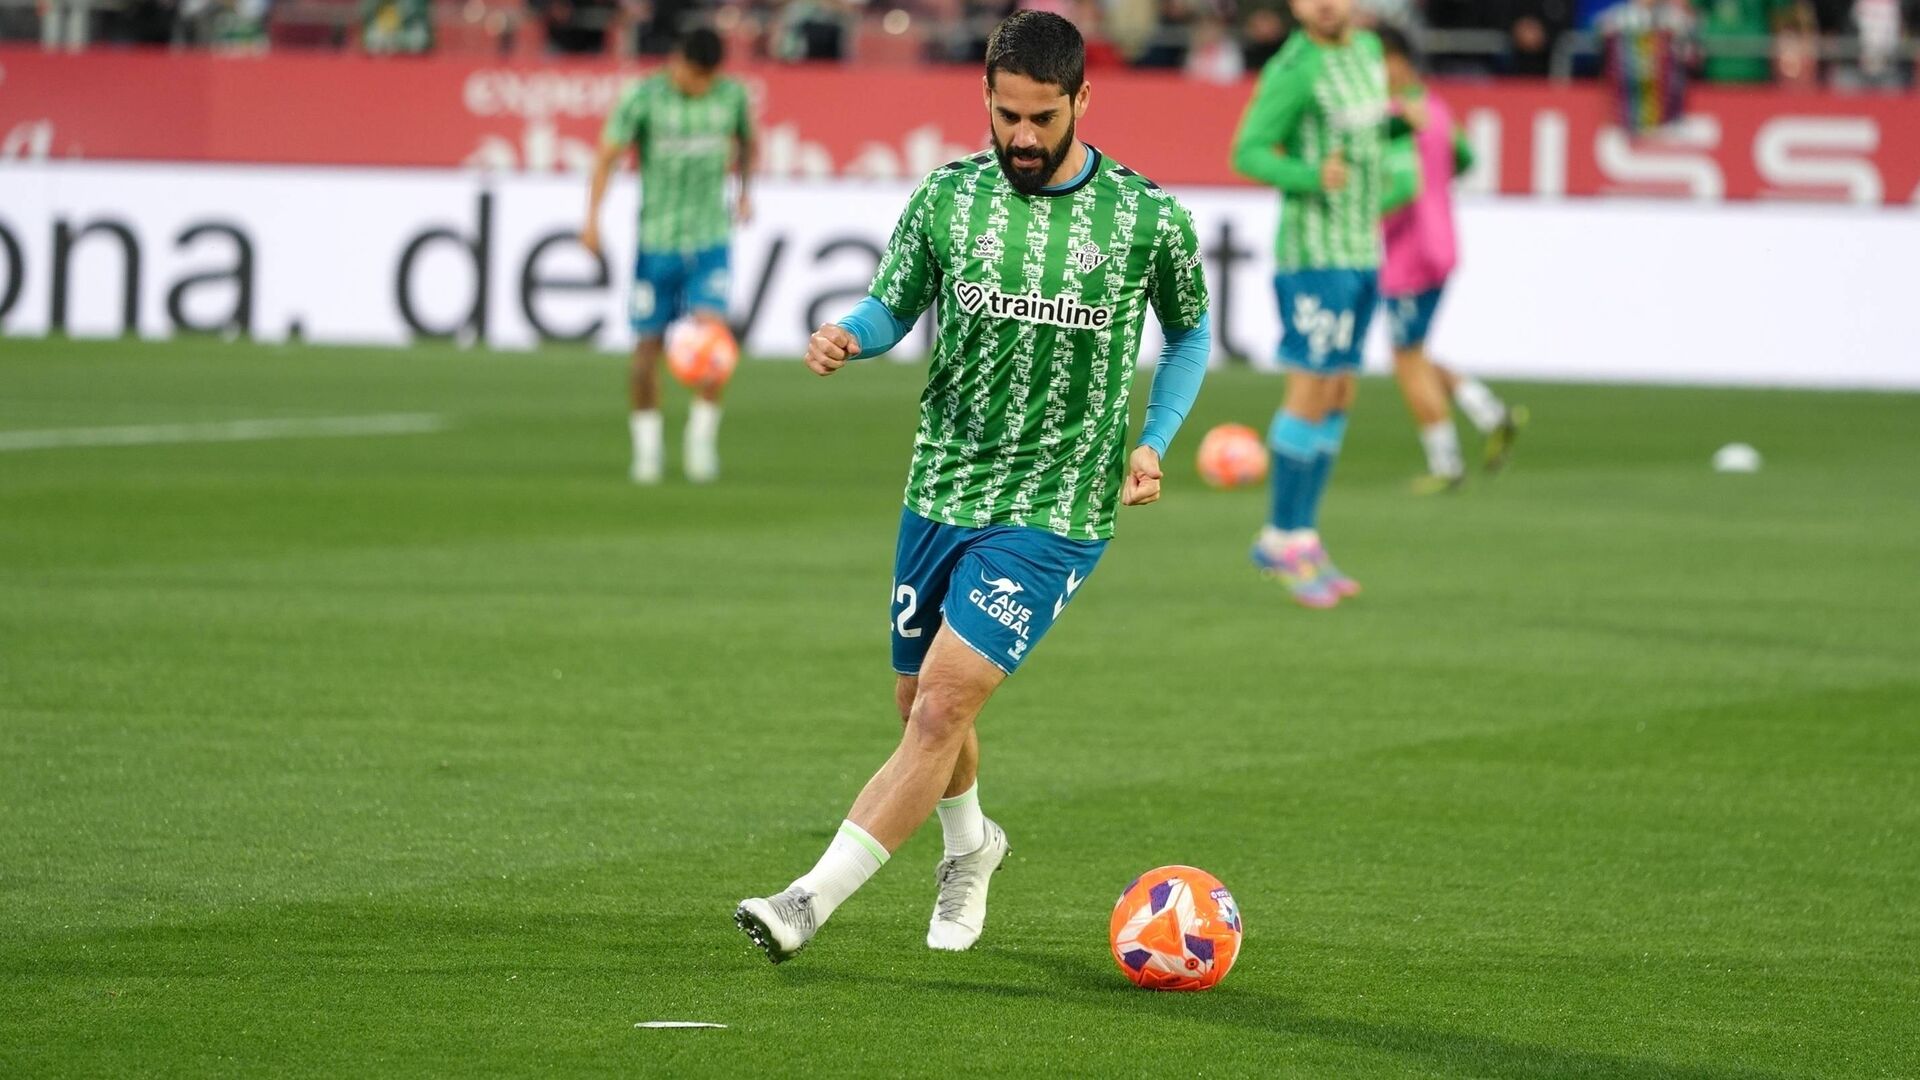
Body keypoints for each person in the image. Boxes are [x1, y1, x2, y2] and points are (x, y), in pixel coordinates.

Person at [734, 11, 1213, 963]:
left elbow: (1190, 331)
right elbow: (893, 303)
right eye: (1007, 116)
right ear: (985, 99)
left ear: (1083, 99)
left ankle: (806, 901)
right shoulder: (949, 198)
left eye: (1043, 118)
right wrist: (851, 333)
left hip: (1056, 507)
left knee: (945, 704)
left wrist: (1154, 440)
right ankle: (971, 845)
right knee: (917, 699)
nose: (1023, 137)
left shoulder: (1145, 218)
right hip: (943, 484)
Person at [1230, 0, 1386, 609]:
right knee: (1311, 387)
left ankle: (1305, 533)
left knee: (1340, 391)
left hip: (1363, 248)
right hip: (1314, 255)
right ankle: (1279, 537)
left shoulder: (1368, 52)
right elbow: (1248, 150)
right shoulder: (1294, 69)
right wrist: (1309, 175)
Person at [582, 28, 755, 484]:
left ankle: (701, 442)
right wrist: (591, 220)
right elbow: (607, 155)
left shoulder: (732, 97)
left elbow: (748, 142)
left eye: (705, 78)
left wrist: (744, 192)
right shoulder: (643, 98)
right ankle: (647, 450)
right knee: (645, 351)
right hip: (656, 242)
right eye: (692, 75)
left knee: (714, 342)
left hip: (710, 239)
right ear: (677, 60)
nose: (697, 85)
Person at [1376, 25, 1524, 492]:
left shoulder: (1397, 114)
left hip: (1409, 250)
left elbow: (1403, 186)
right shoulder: (1436, 108)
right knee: (1414, 350)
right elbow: (1465, 157)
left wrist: (1362, 212)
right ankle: (1488, 411)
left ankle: (1447, 463)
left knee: (1406, 360)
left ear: (1397, 62)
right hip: (1441, 240)